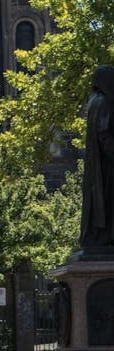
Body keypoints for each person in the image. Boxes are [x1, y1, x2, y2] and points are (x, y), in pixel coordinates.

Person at [80, 65, 114, 250]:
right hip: (106, 167)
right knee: (106, 202)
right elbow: (104, 134)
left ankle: (99, 236)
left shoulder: (93, 101)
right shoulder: (103, 102)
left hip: (98, 165)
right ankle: (103, 237)